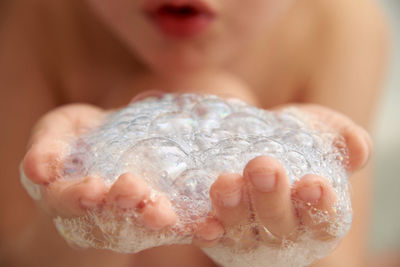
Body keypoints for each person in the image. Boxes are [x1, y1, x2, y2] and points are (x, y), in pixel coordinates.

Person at [0, 0, 389, 266]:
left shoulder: (342, 25)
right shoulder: (31, 19)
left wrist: (291, 246)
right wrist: (89, 225)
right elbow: (16, 256)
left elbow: (341, 258)